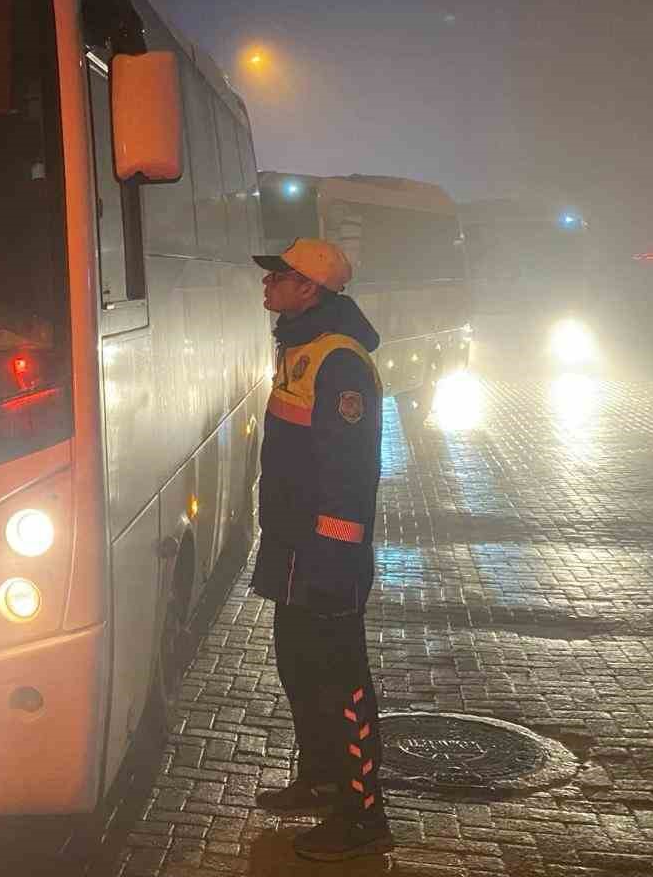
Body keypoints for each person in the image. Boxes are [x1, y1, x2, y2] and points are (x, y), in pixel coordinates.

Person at [248, 239, 392, 861]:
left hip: (324, 556)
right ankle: (321, 778)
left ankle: (363, 816)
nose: (268, 285)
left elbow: (349, 472)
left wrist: (333, 557)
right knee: (299, 669)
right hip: (291, 548)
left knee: (340, 681)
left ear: (310, 289)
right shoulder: (300, 348)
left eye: (278, 277)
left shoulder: (341, 363)